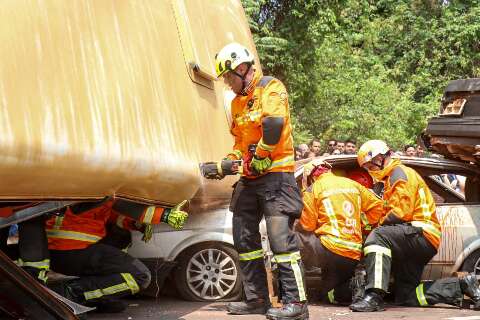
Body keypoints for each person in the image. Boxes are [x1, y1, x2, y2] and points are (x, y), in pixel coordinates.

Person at [214, 42, 308, 320]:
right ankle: (256, 298)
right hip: (250, 179)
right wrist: (227, 163)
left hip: (277, 177)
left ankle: (297, 304)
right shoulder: (236, 102)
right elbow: (241, 144)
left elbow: (274, 125)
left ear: (241, 68)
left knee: (281, 241)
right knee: (243, 237)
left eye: (228, 76)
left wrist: (263, 155)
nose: (227, 83)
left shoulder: (270, 87)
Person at [350, 140, 480, 312]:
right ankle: (462, 285)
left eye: (370, 166)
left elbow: (399, 213)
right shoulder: (392, 178)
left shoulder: (399, 173)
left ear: (380, 157)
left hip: (420, 232)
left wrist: (374, 229)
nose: (370, 171)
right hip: (416, 237)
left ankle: (374, 296)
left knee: (378, 236)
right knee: (407, 296)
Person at [9, 199, 188, 313]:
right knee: (140, 276)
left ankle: (98, 298)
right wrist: (162, 214)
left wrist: (136, 224)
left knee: (122, 237)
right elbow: (119, 204)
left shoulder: (97, 186)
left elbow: (112, 215)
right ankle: (72, 292)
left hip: (62, 252)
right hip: (73, 250)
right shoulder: (104, 187)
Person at [298, 159, 384, 304]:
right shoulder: (352, 184)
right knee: (330, 294)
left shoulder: (313, 189)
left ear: (311, 176)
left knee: (294, 240)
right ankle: (353, 288)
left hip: (329, 249)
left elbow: (307, 225)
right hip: (353, 253)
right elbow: (378, 206)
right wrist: (363, 225)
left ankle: (296, 294)